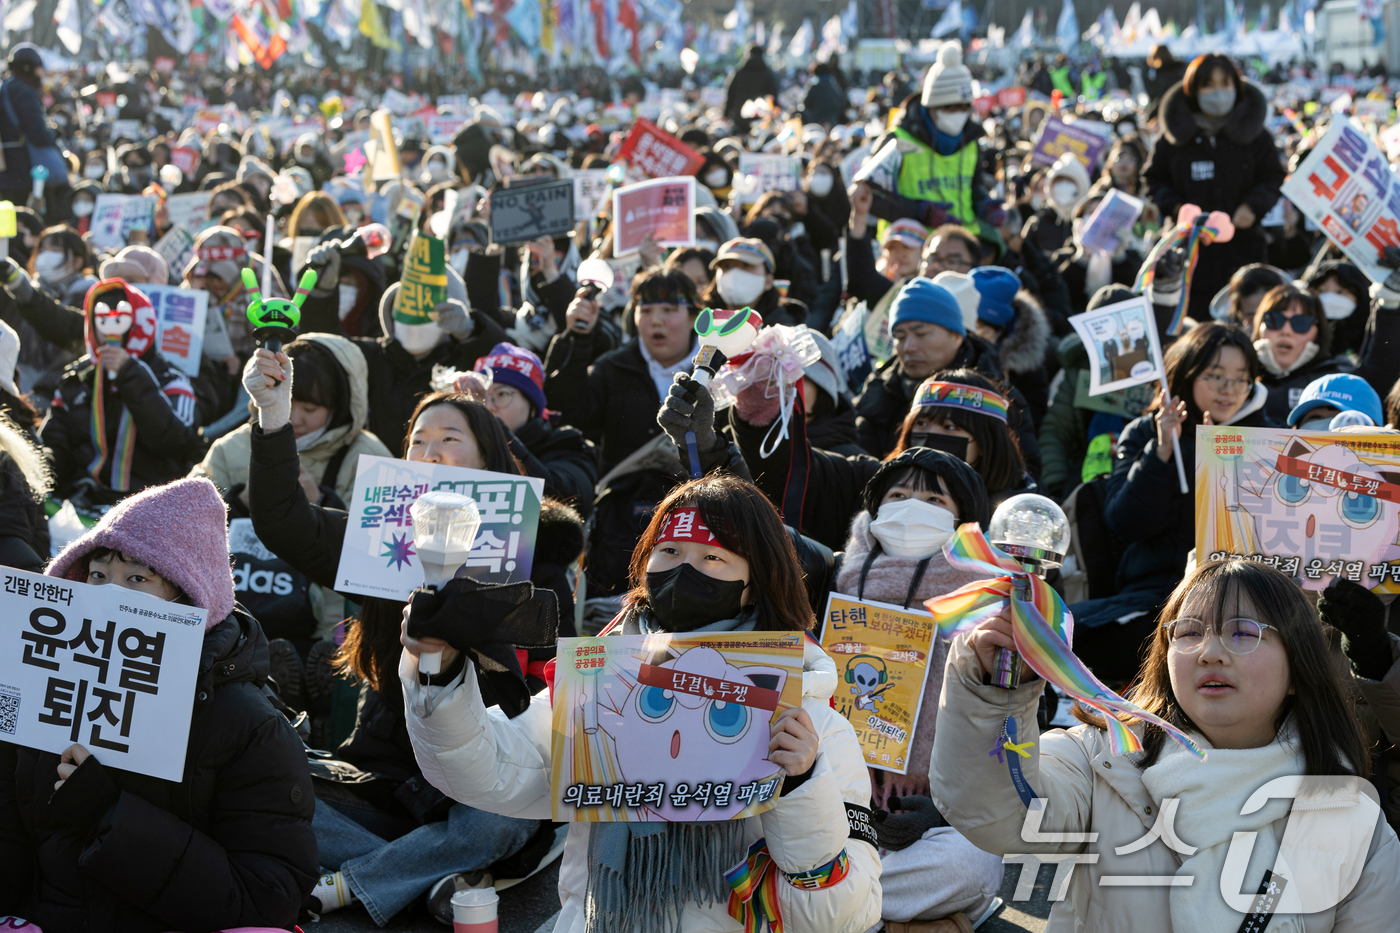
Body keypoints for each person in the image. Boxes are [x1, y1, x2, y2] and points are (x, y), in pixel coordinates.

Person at [398, 474, 883, 933]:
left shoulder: (808, 721)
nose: (685, 569)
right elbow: (488, 770)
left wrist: (799, 787)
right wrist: (438, 671)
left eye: (714, 558)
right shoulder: (599, 689)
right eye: (669, 550)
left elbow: (846, 914)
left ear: (755, 582)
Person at [241, 353, 580, 924]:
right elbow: (281, 521)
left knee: (506, 819)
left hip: (483, 783)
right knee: (255, 783)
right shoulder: (383, 536)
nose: (431, 453)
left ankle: (353, 883)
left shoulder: (536, 560)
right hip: (385, 781)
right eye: (419, 442)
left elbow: (554, 688)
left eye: (451, 438)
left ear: (488, 461)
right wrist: (272, 417)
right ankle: (439, 873)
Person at [932, 558, 1400, 932]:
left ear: (1298, 669)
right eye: (1190, 632)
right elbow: (997, 814)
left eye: (1243, 632)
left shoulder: (1353, 822)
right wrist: (996, 694)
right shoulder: (1099, 759)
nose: (1210, 652)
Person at [0, 477, 319, 931]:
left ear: (190, 599)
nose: (109, 595)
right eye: (97, 574)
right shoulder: (40, 691)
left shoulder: (248, 726)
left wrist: (107, 813)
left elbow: (267, 897)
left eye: (137, 579)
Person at [1068, 322, 1269, 681]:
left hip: (1246, 598)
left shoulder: (1267, 438)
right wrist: (1161, 451)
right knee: (1074, 635)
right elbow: (1126, 520)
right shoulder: (1147, 432)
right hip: (1154, 597)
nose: (1229, 390)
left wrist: (1222, 458)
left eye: (1241, 378)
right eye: (1215, 376)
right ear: (1186, 375)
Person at [1143, 54, 1285, 319]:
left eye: (1225, 84)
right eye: (1208, 85)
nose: (1218, 93)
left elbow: (1273, 176)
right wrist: (1176, 207)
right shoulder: (1173, 138)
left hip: (1243, 248)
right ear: (1193, 90)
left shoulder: (1256, 135)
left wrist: (1252, 207)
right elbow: (1153, 178)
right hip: (1188, 251)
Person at [854, 276, 1040, 475]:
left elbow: (1024, 476)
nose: (908, 347)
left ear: (957, 337)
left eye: (921, 334)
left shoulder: (1000, 397)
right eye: (900, 337)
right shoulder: (877, 393)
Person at [42, 279, 200, 506]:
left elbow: (179, 442)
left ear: (138, 324)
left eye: (120, 321)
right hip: (86, 499)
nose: (109, 331)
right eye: (101, 321)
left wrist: (131, 376)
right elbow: (56, 445)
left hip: (152, 506)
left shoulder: (171, 378)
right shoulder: (78, 379)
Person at [354, 266, 507, 455]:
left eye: (430, 313)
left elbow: (509, 364)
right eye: (407, 309)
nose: (415, 324)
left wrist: (472, 332)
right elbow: (326, 353)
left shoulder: (467, 361)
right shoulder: (374, 356)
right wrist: (321, 295)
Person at [862, 42, 1004, 240]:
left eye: (963, 108)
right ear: (932, 107)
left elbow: (973, 186)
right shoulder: (897, 141)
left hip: (960, 248)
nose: (958, 115)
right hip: (907, 249)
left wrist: (984, 203)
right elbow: (868, 194)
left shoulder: (971, 142)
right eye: (949, 108)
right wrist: (919, 211)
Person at [475, 341, 597, 519]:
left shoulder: (568, 444)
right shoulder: (466, 445)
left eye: (502, 394)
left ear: (532, 406)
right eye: (482, 398)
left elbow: (566, 502)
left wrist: (498, 434)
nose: (489, 407)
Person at [890, 371, 1037, 509]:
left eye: (949, 427)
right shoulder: (885, 491)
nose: (931, 433)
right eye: (921, 424)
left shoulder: (1012, 518)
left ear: (986, 442)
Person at [1251, 284, 1351, 423]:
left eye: (1301, 322)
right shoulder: (1237, 377)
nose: (1286, 331)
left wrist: (1387, 306)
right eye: (1275, 319)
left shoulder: (1337, 382)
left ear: (1318, 331)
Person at [0, 45, 61, 208]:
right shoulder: (23, 91)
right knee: (27, 219)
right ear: (29, 68)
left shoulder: (5, 86)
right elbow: (39, 135)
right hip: (23, 169)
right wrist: (54, 132)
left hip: (5, 170)